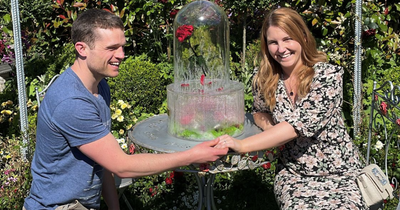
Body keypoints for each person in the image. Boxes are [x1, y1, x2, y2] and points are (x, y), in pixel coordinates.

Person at [23, 9, 228, 210]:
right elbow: (122, 165)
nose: (121, 55)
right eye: (111, 48)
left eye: (122, 47)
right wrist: (191, 155)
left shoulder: (99, 86)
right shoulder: (71, 102)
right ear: (82, 48)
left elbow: (105, 163)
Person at [215, 7, 366, 209]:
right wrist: (271, 129)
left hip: (340, 174)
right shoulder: (266, 79)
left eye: (288, 39)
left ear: (303, 37)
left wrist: (243, 145)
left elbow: (295, 127)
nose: (281, 48)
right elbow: (259, 113)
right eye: (273, 42)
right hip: (295, 174)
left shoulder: (327, 76)